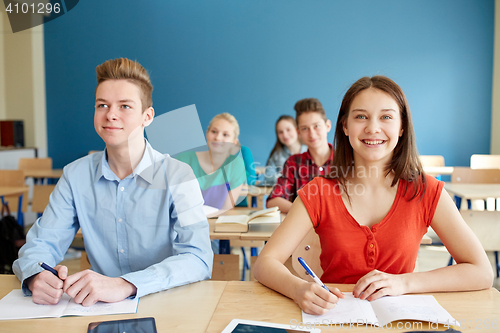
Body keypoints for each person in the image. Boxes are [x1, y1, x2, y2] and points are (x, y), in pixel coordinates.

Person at [254, 76, 493, 315]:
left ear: (401, 127)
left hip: (401, 323)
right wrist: (298, 289)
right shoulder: (319, 192)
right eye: (361, 117)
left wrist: (404, 282)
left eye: (386, 117)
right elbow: (265, 263)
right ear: (344, 126)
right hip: (332, 320)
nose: (373, 128)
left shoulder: (427, 191)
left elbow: (482, 272)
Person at [13, 58, 213, 306]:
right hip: (97, 308)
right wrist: (36, 276)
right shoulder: (75, 176)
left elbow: (198, 258)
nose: (110, 115)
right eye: (102, 105)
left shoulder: (179, 176)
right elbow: (42, 243)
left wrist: (126, 284)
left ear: (147, 116)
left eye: (125, 106)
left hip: (165, 302)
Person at [266, 99, 333, 214]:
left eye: (316, 126)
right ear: (299, 132)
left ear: (327, 126)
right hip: (305, 229)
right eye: (305, 128)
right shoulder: (293, 163)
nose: (312, 134)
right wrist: (309, 212)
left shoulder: (346, 159)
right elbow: (273, 201)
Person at [176, 113, 247, 214]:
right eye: (214, 131)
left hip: (215, 224)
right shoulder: (183, 160)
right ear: (207, 133)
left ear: (234, 142)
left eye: (225, 135)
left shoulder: (236, 165)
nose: (217, 138)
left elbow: (226, 210)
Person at [264, 115, 307, 183]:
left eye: (288, 130)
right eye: (281, 132)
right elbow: (268, 177)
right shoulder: (277, 155)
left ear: (297, 130)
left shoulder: (310, 150)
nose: (285, 135)